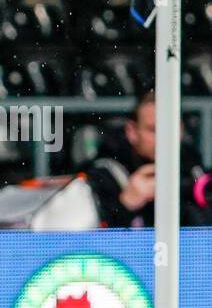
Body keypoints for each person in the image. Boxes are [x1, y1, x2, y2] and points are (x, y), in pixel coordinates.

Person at [84, 91, 212, 227]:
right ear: (132, 131)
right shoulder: (106, 174)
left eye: (171, 128)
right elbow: (85, 242)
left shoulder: (194, 170)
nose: (164, 137)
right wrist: (125, 205)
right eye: (154, 130)